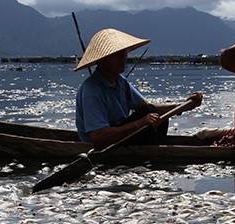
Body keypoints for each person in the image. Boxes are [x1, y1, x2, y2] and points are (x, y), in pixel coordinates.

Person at [74, 28, 203, 149]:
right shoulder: (91, 91)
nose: (124, 59)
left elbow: (146, 108)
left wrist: (183, 106)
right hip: (103, 144)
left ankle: (151, 150)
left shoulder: (120, 81)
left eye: (124, 54)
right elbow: (98, 137)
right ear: (103, 60)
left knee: (151, 111)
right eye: (117, 55)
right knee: (149, 114)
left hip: (121, 136)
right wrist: (141, 123)